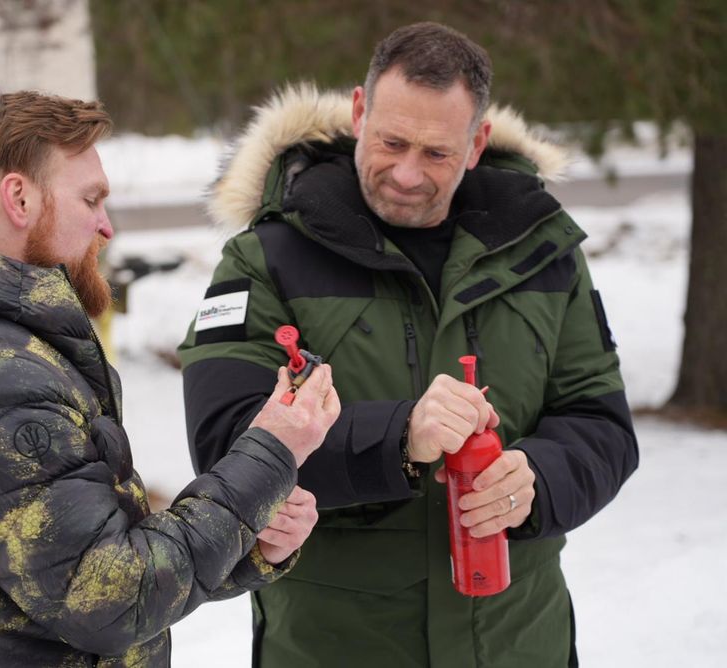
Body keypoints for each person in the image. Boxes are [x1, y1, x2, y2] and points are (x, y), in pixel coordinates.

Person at [178, 21, 638, 667]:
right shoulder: (265, 259)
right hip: (335, 644)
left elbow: (602, 423)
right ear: (360, 111)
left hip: (516, 639)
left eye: (437, 153)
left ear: (477, 142)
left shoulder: (542, 251)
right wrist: (397, 437)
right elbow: (227, 441)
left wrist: (540, 477)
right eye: (391, 142)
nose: (406, 174)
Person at [0, 91, 341, 667]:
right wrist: (269, 452)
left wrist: (250, 539)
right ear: (20, 197)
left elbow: (79, 556)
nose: (105, 227)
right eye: (90, 199)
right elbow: (110, 597)